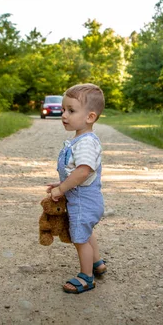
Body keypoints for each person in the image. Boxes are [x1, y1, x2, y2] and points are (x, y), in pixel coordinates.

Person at [47, 83, 107, 294]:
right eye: (64, 110)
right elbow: (75, 172)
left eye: (71, 111)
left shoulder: (86, 143)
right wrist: (61, 183)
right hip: (84, 198)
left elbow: (83, 172)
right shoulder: (80, 140)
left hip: (83, 200)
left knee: (80, 239)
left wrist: (62, 189)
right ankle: (97, 263)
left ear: (90, 117)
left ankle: (86, 277)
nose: (64, 115)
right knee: (87, 232)